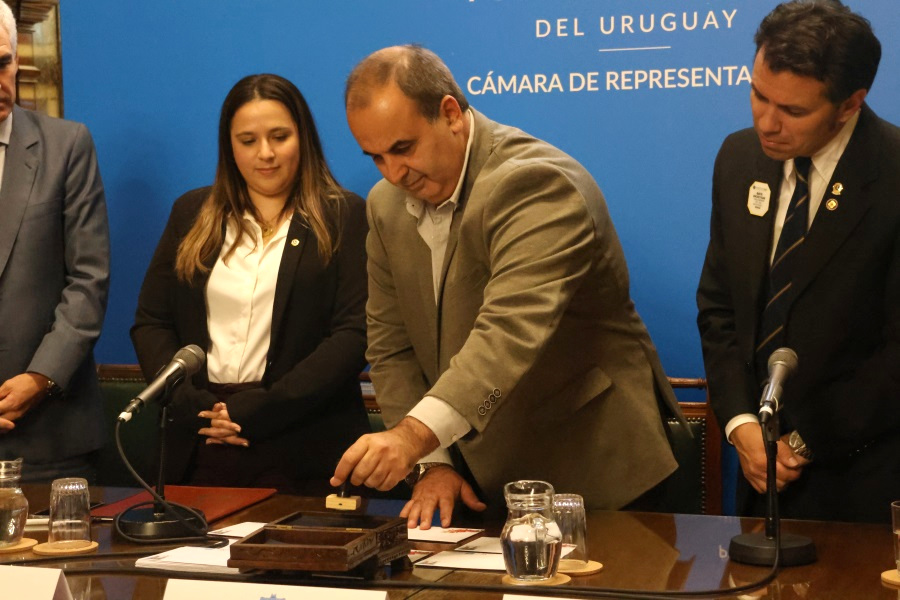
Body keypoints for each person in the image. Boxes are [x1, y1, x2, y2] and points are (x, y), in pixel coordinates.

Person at [331, 45, 686, 528]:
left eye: (403, 148)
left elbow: (508, 335)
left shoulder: (535, 183)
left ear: (451, 114)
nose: (394, 173)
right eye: (375, 158)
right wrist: (433, 463)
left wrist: (413, 437)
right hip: (482, 486)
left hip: (596, 477)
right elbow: (392, 348)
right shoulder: (385, 205)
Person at [697, 0, 900, 523]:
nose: (767, 123)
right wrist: (742, 424)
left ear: (851, 103)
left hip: (868, 482)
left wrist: (805, 442)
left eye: (793, 111)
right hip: (757, 480)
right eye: (758, 95)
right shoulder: (737, 158)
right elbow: (720, 306)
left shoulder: (894, 173)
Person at [132, 74, 369, 493]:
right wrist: (192, 405)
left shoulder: (344, 215)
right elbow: (152, 321)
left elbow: (352, 335)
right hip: (200, 438)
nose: (266, 154)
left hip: (304, 444)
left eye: (280, 136)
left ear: (304, 138)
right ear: (229, 147)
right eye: (248, 140)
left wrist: (262, 408)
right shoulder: (191, 213)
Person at [0, 4, 110, 483]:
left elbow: (89, 281)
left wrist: (38, 379)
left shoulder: (67, 146)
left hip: (49, 435)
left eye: (1, 63)